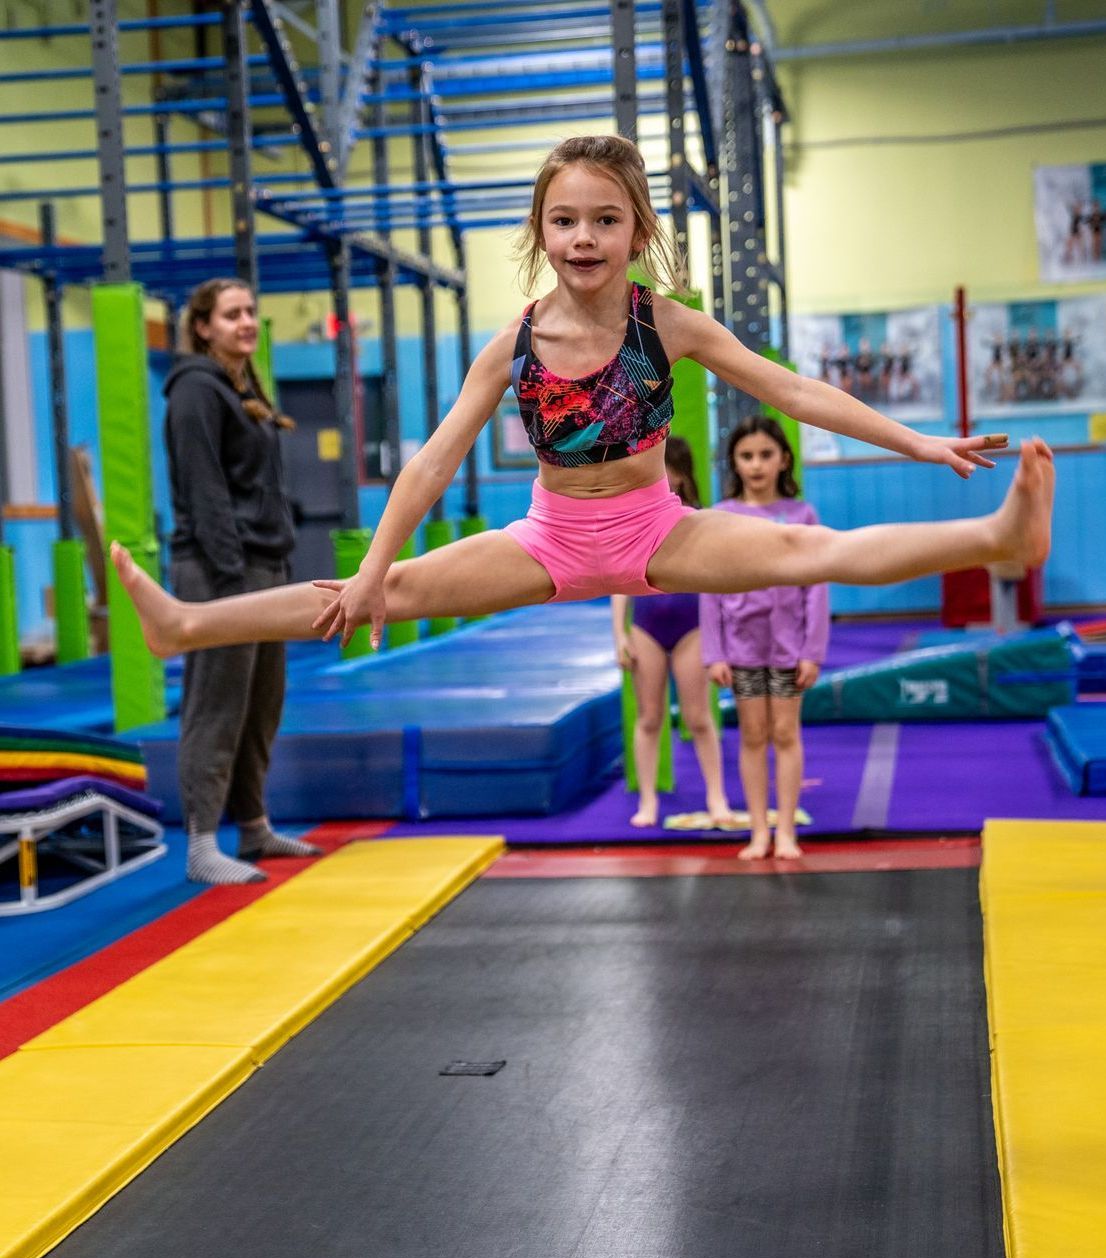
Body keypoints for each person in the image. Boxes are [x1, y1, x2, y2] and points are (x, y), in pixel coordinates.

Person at [111, 135, 1054, 715]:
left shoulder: (667, 323)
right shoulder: (513, 342)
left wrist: (922, 442)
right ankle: (187, 624)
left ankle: (994, 536)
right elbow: (434, 462)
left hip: (657, 527)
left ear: (637, 232)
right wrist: (367, 572)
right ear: (540, 231)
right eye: (564, 221)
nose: (584, 239)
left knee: (816, 551)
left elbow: (799, 392)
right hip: (549, 538)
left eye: (605, 221)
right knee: (378, 588)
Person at [165, 277, 319, 885]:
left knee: (262, 702)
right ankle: (202, 842)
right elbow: (205, 493)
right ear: (203, 327)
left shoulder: (241, 386)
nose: (246, 323)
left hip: (260, 565)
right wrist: (232, 586)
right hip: (219, 571)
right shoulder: (195, 392)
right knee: (217, 704)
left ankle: (253, 827)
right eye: (232, 315)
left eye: (252, 311)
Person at [702, 417, 829, 860]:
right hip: (741, 646)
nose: (756, 466)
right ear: (734, 462)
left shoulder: (801, 515)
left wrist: (813, 650)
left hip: (789, 646)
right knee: (753, 734)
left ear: (783, 459)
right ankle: (759, 831)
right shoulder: (722, 517)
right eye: (746, 456)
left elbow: (817, 586)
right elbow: (710, 587)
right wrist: (713, 651)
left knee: (785, 731)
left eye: (765, 455)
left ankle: (787, 831)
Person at [612, 436, 732, 828]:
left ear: (680, 475)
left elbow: (716, 582)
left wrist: (719, 637)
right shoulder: (631, 518)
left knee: (698, 717)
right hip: (646, 626)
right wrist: (620, 634)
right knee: (649, 717)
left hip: (691, 626)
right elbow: (618, 580)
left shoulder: (695, 518)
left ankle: (716, 796)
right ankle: (647, 800)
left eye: (665, 468)